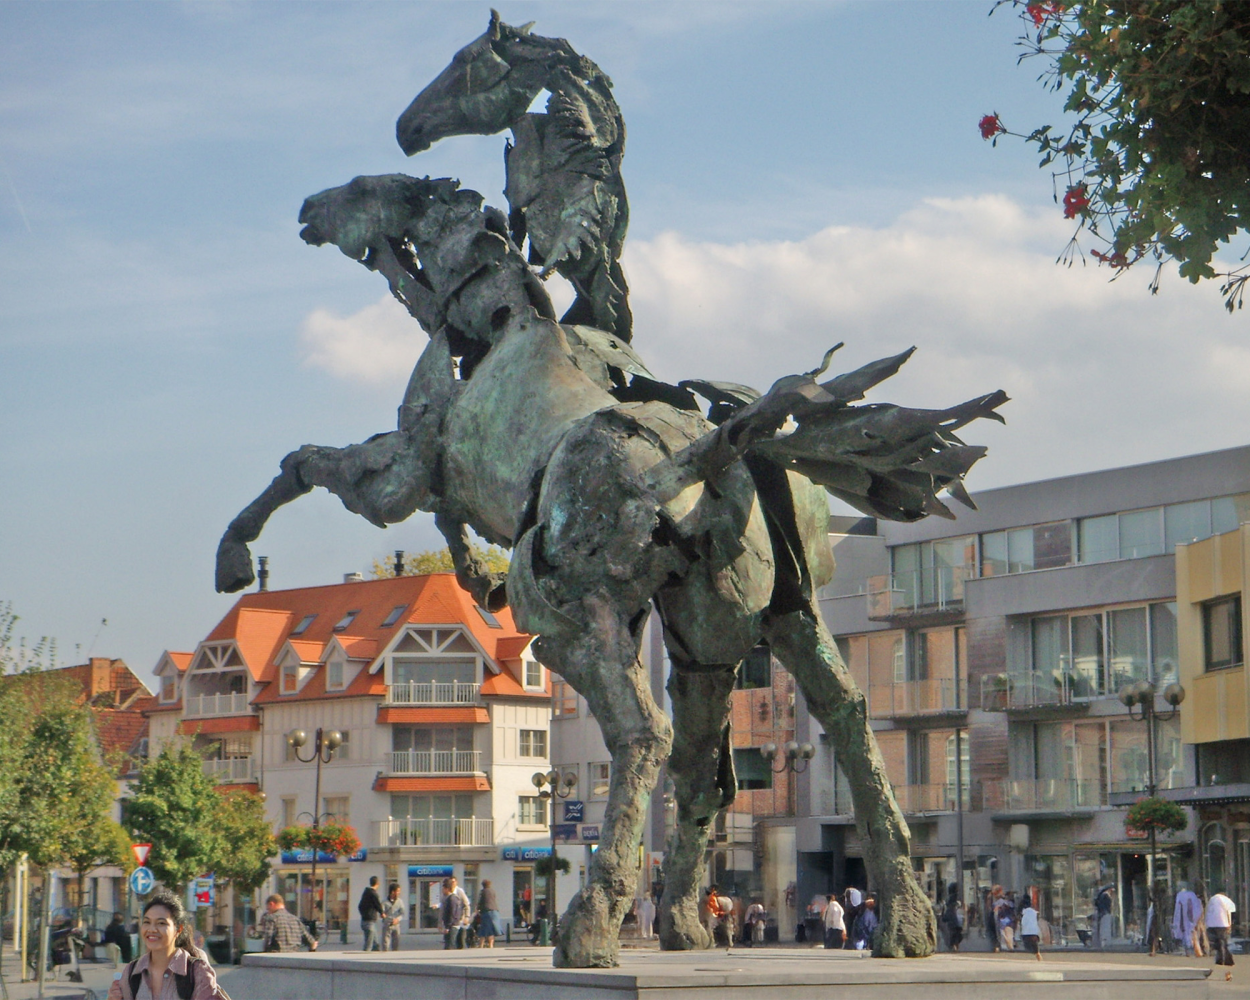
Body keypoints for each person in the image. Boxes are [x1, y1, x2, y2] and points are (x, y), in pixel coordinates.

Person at [108, 889, 228, 1000]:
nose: (152, 929)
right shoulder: (131, 972)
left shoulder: (197, 972)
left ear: (178, 929)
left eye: (161, 923)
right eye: (147, 922)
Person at [1206, 888, 1237, 982]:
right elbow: (1229, 912)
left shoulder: (1212, 899)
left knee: (1217, 942)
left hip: (1212, 924)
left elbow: (1208, 911)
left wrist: (1206, 923)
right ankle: (1224, 959)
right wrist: (1229, 924)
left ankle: (1222, 959)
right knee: (1223, 942)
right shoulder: (1226, 900)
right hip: (1223, 924)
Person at [1172, 883, 1203, 957]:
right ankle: (1195, 950)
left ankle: (1190, 950)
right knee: (1193, 934)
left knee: (1187, 934)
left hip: (1184, 919)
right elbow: (1196, 909)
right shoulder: (1192, 896)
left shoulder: (1180, 896)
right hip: (1191, 919)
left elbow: (1178, 909)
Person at [440, 876, 471, 949]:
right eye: (451, 882)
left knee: (459, 941)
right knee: (452, 942)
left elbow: (466, 904)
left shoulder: (459, 892)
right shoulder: (445, 895)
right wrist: (440, 923)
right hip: (453, 922)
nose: (452, 883)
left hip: (459, 921)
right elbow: (443, 909)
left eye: (454, 882)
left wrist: (467, 917)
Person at [359, 876, 384, 952]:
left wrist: (363, 914)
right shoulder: (373, 894)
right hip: (369, 920)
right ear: (377, 883)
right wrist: (382, 913)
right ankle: (365, 956)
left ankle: (376, 952)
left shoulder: (366, 893)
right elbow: (378, 904)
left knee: (375, 943)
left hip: (365, 920)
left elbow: (360, 906)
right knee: (369, 943)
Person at [477, 880, 504, 948]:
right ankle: (491, 944)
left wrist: (478, 909)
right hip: (495, 911)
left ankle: (481, 944)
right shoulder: (493, 891)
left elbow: (480, 902)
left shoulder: (483, 892)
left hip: (486, 911)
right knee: (492, 929)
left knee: (484, 928)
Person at [941, 885, 964, 952]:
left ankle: (954, 947)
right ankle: (955, 947)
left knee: (954, 934)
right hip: (956, 921)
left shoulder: (950, 904)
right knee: (956, 935)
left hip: (953, 922)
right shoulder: (954, 901)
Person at [382, 883, 404, 952]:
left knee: (396, 943)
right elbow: (382, 912)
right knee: (385, 943)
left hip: (396, 925)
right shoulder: (384, 902)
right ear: (392, 892)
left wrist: (398, 919)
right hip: (387, 924)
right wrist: (383, 915)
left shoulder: (400, 902)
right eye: (397, 891)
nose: (399, 893)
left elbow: (402, 913)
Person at [1094, 885, 1113, 949]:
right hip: (1105, 913)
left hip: (1104, 913)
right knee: (1105, 927)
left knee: (1104, 926)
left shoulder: (1103, 895)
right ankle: (1104, 941)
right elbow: (1104, 905)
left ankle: (1104, 941)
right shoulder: (1105, 896)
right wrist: (1105, 911)